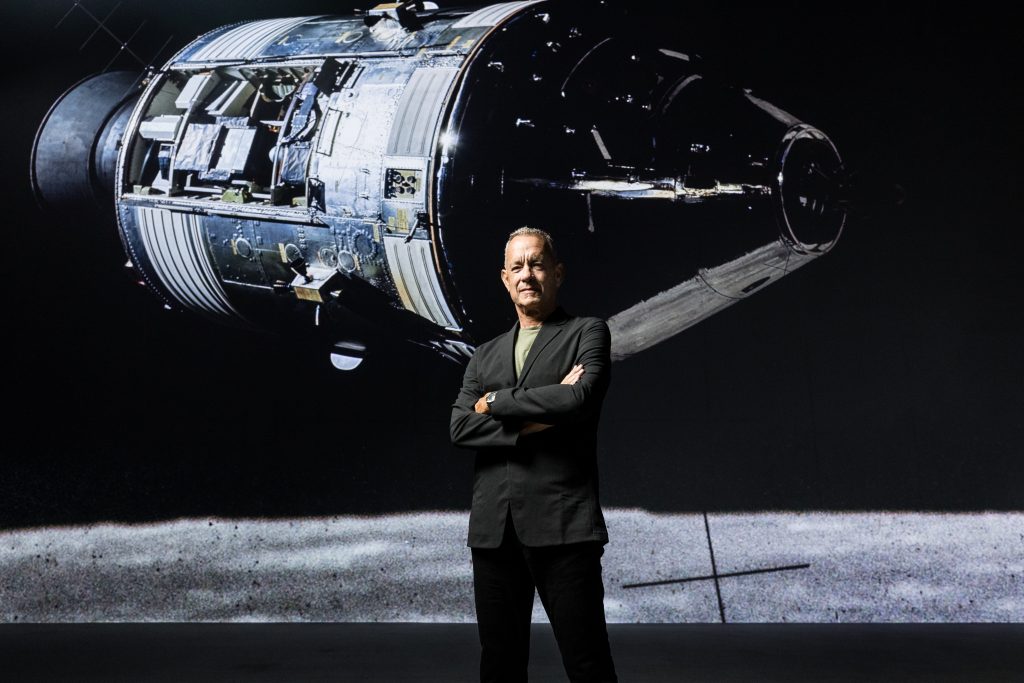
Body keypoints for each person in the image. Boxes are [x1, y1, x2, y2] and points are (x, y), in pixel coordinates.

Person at [450, 226, 618, 683]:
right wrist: (544, 412)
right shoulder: (484, 354)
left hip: (564, 528)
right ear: (505, 279)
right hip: (494, 533)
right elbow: (461, 426)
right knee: (499, 665)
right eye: (517, 266)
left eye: (537, 264)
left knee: (587, 663)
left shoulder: (587, 332)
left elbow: (579, 401)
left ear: (557, 273)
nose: (527, 274)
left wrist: (497, 404)